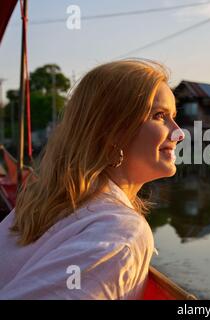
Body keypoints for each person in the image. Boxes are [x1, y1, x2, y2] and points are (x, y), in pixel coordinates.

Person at [0, 59, 185, 299]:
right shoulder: (120, 234)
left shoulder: (38, 202)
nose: (179, 133)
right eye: (160, 115)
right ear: (112, 131)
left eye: (174, 116)